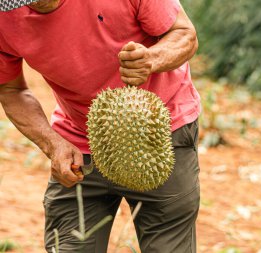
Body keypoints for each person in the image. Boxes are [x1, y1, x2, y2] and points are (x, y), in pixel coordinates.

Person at [0, 0, 201, 252]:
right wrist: (54, 145)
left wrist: (151, 59)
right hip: (77, 142)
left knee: (168, 245)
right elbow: (10, 89)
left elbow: (184, 34)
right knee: (70, 245)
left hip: (158, 133)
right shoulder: (4, 14)